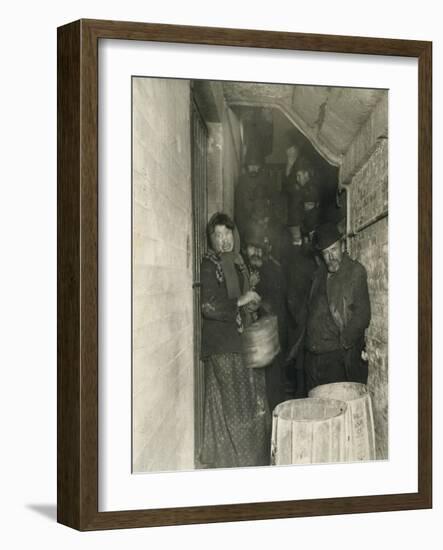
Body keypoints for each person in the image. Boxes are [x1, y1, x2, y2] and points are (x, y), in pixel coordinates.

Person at [200, 212, 272, 468]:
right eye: (218, 235)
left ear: (234, 234)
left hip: (242, 341)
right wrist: (241, 300)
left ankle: (241, 459)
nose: (224, 240)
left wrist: (252, 303)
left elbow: (242, 300)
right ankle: (240, 462)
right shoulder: (210, 264)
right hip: (223, 345)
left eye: (227, 234)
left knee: (246, 402)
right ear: (212, 239)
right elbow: (208, 306)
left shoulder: (239, 262)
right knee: (236, 406)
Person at [304, 222, 371, 393]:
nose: (330, 257)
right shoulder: (318, 274)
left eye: (333, 249)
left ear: (342, 246)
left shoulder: (355, 271)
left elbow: (363, 315)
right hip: (313, 358)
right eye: (325, 253)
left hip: (336, 358)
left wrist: (344, 344)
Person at [242, 222, 288, 411]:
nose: (256, 253)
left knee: (273, 391)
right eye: (252, 248)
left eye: (259, 248)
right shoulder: (243, 270)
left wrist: (261, 304)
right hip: (250, 344)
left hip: (271, 342)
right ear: (245, 249)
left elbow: (279, 305)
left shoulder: (274, 271)